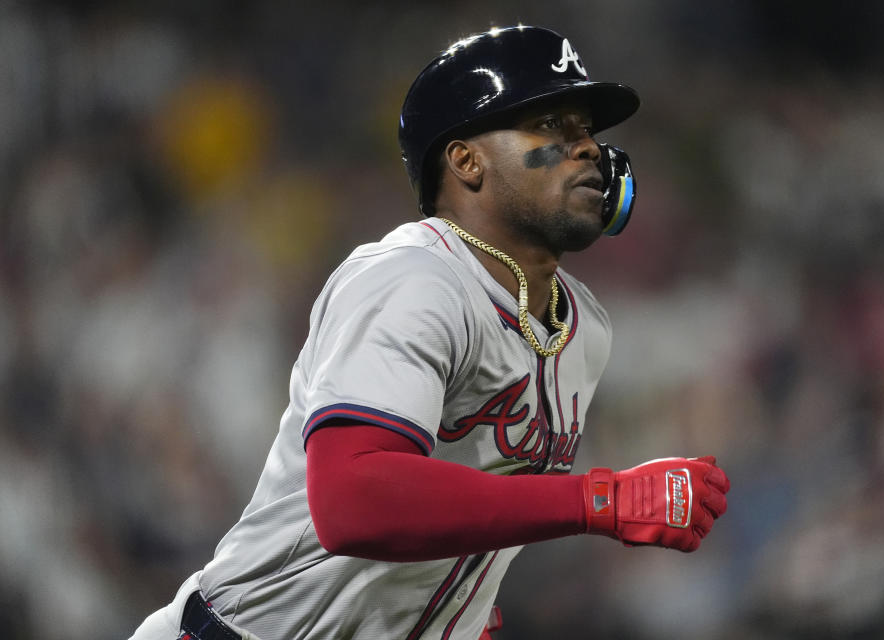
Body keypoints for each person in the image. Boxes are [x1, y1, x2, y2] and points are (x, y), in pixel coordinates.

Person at [130, 25, 730, 640]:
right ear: (466, 161)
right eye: (554, 126)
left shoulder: (586, 328)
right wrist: (600, 500)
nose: (588, 150)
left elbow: (469, 528)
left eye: (588, 131)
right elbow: (354, 501)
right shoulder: (412, 278)